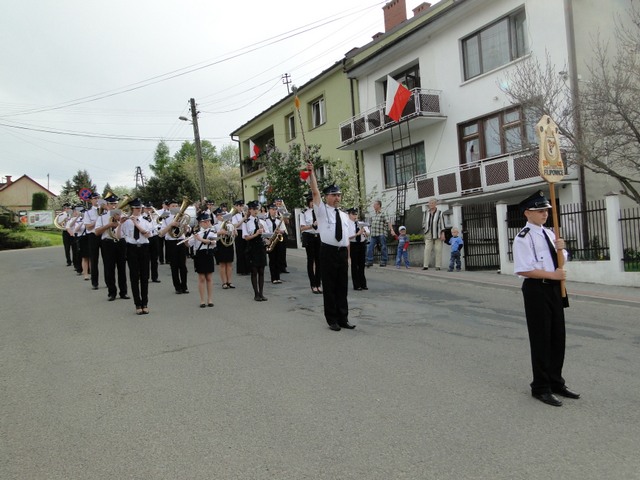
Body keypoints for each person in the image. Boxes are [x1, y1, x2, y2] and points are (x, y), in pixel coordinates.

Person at [512, 190, 579, 407]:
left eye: (546, 210)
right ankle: (540, 387)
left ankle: (556, 382)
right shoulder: (523, 238)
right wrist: (554, 276)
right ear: (527, 213)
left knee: (558, 337)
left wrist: (562, 249)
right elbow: (524, 269)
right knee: (541, 338)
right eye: (540, 210)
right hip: (536, 289)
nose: (545, 214)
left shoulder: (550, 234)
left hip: (554, 289)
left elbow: (560, 261)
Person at [307, 162, 355, 331]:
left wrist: (348, 256)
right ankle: (332, 319)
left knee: (342, 286)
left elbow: (346, 239)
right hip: (328, 251)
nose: (337, 198)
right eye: (334, 195)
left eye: (339, 195)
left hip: (341, 253)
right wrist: (311, 173)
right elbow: (315, 191)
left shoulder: (344, 215)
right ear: (327, 196)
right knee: (329, 286)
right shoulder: (321, 210)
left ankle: (343, 318)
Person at [116, 198, 153, 315]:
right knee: (134, 277)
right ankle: (137, 304)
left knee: (144, 277)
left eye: (140, 208)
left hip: (144, 248)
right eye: (136, 208)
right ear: (132, 209)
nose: (139, 210)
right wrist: (120, 224)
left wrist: (136, 223)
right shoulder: (126, 221)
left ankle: (145, 304)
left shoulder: (146, 220)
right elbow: (118, 236)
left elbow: (147, 235)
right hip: (131, 248)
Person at [94, 194, 129, 301]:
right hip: (108, 243)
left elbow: (127, 231)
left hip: (120, 242)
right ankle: (112, 293)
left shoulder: (123, 216)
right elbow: (96, 232)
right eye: (111, 204)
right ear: (107, 205)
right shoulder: (102, 217)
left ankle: (123, 292)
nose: (114, 206)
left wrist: (121, 222)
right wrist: (109, 225)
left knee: (122, 268)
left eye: (115, 203)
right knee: (109, 268)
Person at [159, 199, 190, 295]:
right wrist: (171, 224)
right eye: (173, 206)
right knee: (174, 266)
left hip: (181, 241)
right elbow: (161, 233)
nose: (175, 207)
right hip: (171, 242)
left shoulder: (182, 216)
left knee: (183, 266)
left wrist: (185, 227)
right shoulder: (165, 217)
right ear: (168, 207)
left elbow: (186, 231)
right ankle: (177, 287)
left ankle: (184, 286)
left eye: (177, 206)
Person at [189, 212, 217, 308]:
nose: (208, 223)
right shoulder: (196, 232)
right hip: (199, 255)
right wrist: (187, 237)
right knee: (201, 278)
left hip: (208, 254)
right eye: (205, 221)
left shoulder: (212, 231)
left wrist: (201, 239)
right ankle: (202, 300)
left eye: (208, 221)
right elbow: (188, 244)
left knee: (209, 278)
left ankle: (210, 299)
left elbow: (213, 242)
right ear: (200, 223)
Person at [242, 201, 268, 301]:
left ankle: (261, 293)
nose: (256, 211)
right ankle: (256, 294)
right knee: (254, 271)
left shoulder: (261, 221)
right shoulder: (246, 222)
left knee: (261, 271)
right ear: (250, 210)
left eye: (257, 209)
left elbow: (266, 234)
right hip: (252, 247)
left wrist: (267, 238)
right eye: (253, 209)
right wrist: (256, 234)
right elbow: (246, 237)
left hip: (261, 247)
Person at [299, 195, 322, 294]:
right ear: (308, 202)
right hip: (309, 236)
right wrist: (312, 226)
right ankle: (313, 284)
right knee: (311, 260)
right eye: (311, 201)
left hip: (319, 237)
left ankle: (318, 283)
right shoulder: (304, 213)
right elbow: (302, 228)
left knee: (319, 261)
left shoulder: (320, 212)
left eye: (314, 201)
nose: (313, 203)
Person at [366, 200, 395, 267]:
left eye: (375, 205)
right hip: (374, 235)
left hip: (381, 233)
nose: (373, 206)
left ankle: (383, 261)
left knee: (383, 247)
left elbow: (388, 222)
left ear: (378, 205)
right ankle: (369, 261)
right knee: (370, 247)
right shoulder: (374, 214)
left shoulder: (383, 213)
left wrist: (392, 230)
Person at [212, 208, 236, 289]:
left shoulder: (229, 224)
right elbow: (212, 235)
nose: (222, 216)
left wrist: (233, 231)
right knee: (222, 264)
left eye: (223, 215)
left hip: (229, 243)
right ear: (217, 216)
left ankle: (229, 281)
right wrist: (220, 232)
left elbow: (235, 234)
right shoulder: (215, 225)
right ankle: (224, 282)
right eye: (220, 215)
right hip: (220, 244)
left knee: (229, 263)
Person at [82, 192, 101, 289]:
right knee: (94, 260)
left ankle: (109, 282)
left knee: (107, 260)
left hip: (103, 235)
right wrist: (97, 220)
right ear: (91, 200)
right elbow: (88, 227)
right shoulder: (88, 213)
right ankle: (95, 282)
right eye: (95, 198)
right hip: (93, 235)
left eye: (98, 198)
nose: (97, 200)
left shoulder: (105, 210)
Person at [265, 203, 287, 285]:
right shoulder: (266, 220)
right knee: (272, 259)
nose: (274, 211)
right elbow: (265, 231)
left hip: (277, 240)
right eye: (273, 210)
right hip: (270, 240)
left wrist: (280, 231)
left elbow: (283, 230)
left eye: (275, 210)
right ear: (269, 210)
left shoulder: (279, 220)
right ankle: (273, 278)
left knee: (278, 259)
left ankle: (278, 277)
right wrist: (269, 238)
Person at [347, 207, 368, 291]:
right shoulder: (347, 223)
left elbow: (368, 232)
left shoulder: (360, 223)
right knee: (355, 265)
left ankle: (363, 284)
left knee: (362, 264)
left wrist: (365, 232)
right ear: (349, 214)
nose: (355, 216)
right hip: (354, 244)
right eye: (353, 214)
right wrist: (357, 234)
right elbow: (348, 236)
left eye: (356, 214)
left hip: (362, 243)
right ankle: (356, 285)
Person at [422, 197, 445, 271]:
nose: (431, 204)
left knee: (438, 250)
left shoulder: (440, 213)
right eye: (429, 203)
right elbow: (423, 223)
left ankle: (438, 266)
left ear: (435, 204)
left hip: (438, 233)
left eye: (432, 203)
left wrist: (443, 233)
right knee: (427, 249)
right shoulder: (426, 213)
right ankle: (425, 265)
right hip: (428, 233)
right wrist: (425, 231)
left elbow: (442, 224)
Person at [143, 202, 161, 283]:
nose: (149, 210)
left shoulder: (155, 216)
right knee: (146, 259)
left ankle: (155, 277)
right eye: (147, 208)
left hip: (155, 237)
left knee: (155, 258)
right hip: (146, 238)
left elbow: (160, 225)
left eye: (150, 208)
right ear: (144, 209)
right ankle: (145, 277)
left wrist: (155, 218)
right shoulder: (142, 217)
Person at [232, 200, 250, 276]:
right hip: (239, 233)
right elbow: (235, 225)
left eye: (242, 206)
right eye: (240, 206)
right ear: (236, 206)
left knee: (246, 251)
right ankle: (241, 269)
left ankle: (247, 268)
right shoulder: (234, 215)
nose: (241, 207)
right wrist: (243, 219)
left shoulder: (244, 213)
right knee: (240, 251)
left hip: (245, 232)